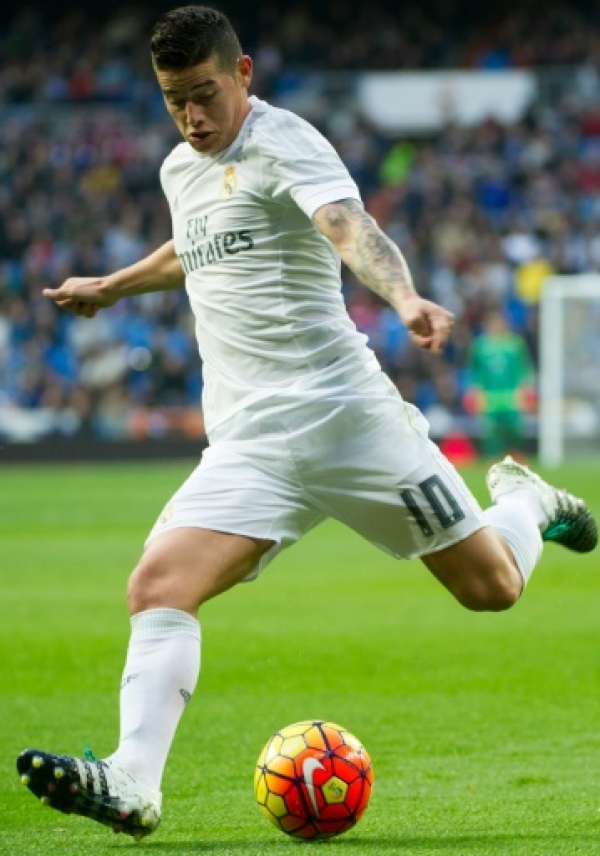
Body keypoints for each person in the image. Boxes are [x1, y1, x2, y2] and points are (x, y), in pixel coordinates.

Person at [17, 4, 597, 840]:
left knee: (491, 589)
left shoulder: (286, 141)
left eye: (205, 94)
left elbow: (347, 226)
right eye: (175, 101)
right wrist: (110, 286)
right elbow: (194, 246)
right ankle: (133, 780)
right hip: (249, 445)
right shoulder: (182, 169)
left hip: (347, 420)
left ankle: (528, 504)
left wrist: (404, 297)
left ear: (243, 72)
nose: (193, 117)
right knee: (158, 586)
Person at [464, 309, 537, 458]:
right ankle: (493, 459)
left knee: (514, 430)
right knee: (491, 432)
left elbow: (523, 368)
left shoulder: (515, 343)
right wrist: (474, 390)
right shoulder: (481, 345)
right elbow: (475, 371)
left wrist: (526, 387)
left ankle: (516, 458)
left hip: (511, 394)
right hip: (490, 396)